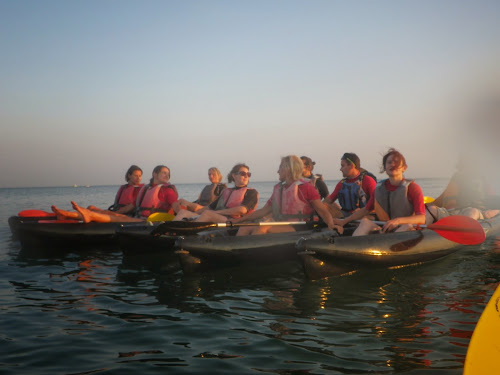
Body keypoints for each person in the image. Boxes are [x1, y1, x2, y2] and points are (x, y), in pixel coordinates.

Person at [235, 155, 339, 235]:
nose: (277, 171)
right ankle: (234, 254)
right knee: (245, 227)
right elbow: (263, 211)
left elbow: (322, 210)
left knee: (264, 227)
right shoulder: (279, 188)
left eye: (280, 168)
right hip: (281, 224)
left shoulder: (306, 187)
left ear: (289, 169)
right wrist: (240, 220)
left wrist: (331, 226)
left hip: (300, 227)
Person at [333, 148, 425, 236]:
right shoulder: (379, 189)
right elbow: (365, 210)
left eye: (396, 162)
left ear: (404, 168)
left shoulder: (413, 188)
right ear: (384, 167)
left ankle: (390, 246)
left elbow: (421, 218)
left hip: (406, 230)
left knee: (407, 226)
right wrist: (344, 221)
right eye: (389, 162)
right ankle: (354, 248)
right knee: (365, 222)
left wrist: (397, 221)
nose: (392, 164)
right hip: (385, 228)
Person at [52, 165, 178, 223]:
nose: (167, 176)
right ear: (154, 174)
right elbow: (133, 206)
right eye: (163, 173)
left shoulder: (167, 190)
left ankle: (86, 215)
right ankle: (69, 215)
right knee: (113, 214)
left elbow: (177, 208)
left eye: (168, 173)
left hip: (150, 222)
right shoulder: (147, 189)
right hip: (140, 219)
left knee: (117, 217)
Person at [173, 163, 258, 223]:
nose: (246, 176)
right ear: (234, 175)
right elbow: (209, 207)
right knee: (183, 213)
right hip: (220, 217)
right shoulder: (227, 191)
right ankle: (169, 233)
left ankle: (186, 235)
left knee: (208, 214)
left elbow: (242, 210)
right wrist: (193, 214)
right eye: (243, 173)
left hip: (235, 222)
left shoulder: (251, 192)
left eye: (248, 174)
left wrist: (216, 213)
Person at [425, 153, 499, 222]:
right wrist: (424, 206)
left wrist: (491, 212)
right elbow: (438, 201)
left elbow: (491, 199)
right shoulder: (456, 177)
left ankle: (465, 230)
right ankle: (422, 232)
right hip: (451, 213)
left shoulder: (482, 179)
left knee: (472, 212)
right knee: (432, 209)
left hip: (472, 212)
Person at [323, 153, 377, 219]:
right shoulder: (342, 183)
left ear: (351, 166)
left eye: (342, 166)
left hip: (364, 215)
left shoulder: (368, 180)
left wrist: (361, 212)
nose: (340, 169)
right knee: (323, 206)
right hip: (346, 214)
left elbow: (377, 205)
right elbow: (328, 201)